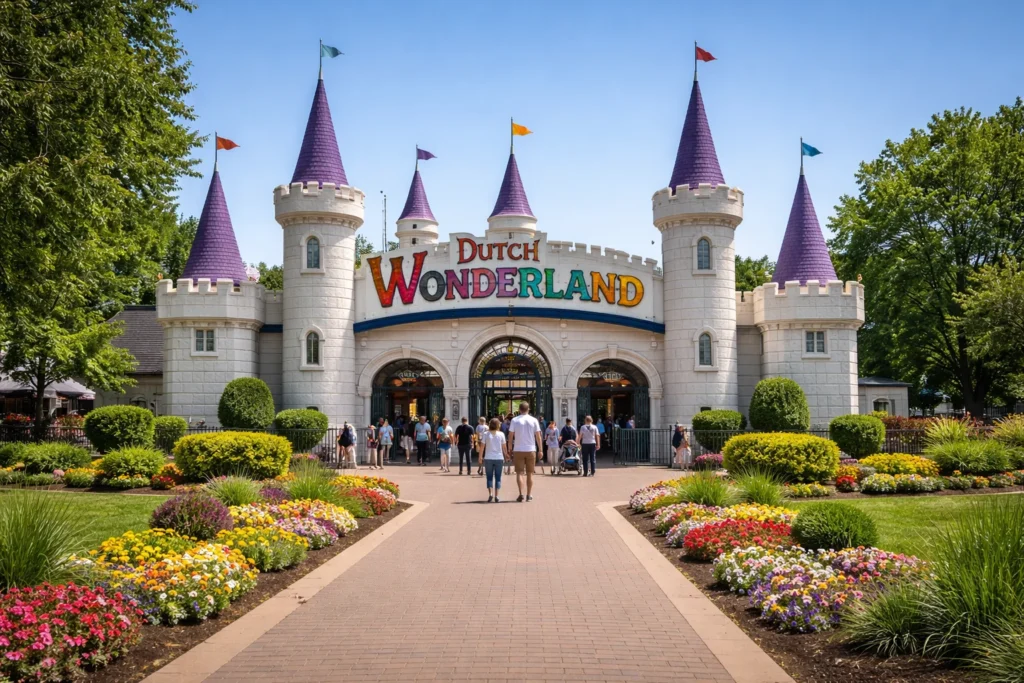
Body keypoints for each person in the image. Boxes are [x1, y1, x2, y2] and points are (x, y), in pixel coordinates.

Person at [508, 401, 542, 502]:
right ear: (528, 409)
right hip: (531, 449)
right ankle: (529, 494)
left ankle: (521, 494)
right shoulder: (534, 420)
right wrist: (540, 449)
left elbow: (510, 436)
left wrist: (510, 448)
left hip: (518, 449)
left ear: (519, 409)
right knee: (530, 473)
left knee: (519, 473)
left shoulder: (514, 420)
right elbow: (538, 436)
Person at [481, 417, 508, 502]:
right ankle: (497, 495)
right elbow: (504, 447)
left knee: (489, 477)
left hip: (488, 457)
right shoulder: (501, 434)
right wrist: (506, 455)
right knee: (498, 477)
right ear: (498, 425)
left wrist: (480, 457)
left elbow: (482, 446)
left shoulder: (486, 434)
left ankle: (490, 494)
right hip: (499, 458)